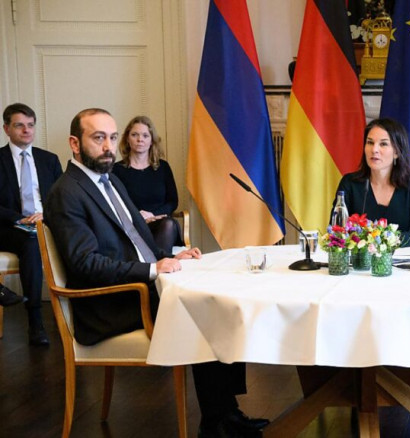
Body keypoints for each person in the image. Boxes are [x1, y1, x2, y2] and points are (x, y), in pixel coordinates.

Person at [44, 108, 267, 438]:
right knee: (208, 309)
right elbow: (85, 263)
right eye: (98, 138)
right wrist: (152, 270)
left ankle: (226, 413)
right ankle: (216, 422)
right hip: (110, 304)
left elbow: (138, 241)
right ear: (75, 144)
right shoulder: (67, 192)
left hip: (137, 289)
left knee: (220, 299)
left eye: (112, 137)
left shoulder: (111, 181)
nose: (107, 146)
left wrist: (171, 256)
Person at [0, 102, 63, 345]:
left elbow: (63, 199)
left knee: (36, 239)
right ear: (6, 128)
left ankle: (81, 311)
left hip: (44, 224)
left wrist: (45, 214)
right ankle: (36, 322)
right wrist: (18, 218)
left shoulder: (49, 160)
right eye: (19, 125)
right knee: (30, 241)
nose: (26, 130)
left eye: (30, 125)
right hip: (9, 226)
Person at [333, 118, 410, 246]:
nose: (374, 149)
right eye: (370, 142)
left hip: (398, 257)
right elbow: (336, 231)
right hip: (358, 257)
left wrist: (389, 240)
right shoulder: (349, 183)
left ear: (396, 152)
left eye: (383, 144)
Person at [112, 116, 182, 254]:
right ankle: (155, 265)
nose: (140, 139)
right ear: (127, 139)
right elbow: (115, 203)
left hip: (160, 223)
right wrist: (138, 217)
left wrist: (152, 215)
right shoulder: (116, 170)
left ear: (151, 141)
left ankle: (158, 265)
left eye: (145, 135)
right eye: (134, 135)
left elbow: (172, 202)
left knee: (168, 224)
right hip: (132, 225)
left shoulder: (163, 167)